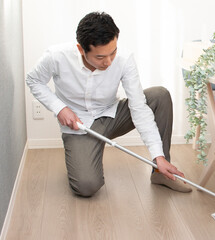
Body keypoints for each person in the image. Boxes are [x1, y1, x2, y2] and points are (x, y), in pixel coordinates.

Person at [26, 11, 191, 197]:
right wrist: (60, 108)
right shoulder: (56, 57)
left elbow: (139, 108)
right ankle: (85, 156)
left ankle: (161, 172)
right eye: (100, 57)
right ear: (81, 49)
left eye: (113, 52)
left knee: (159, 95)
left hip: (111, 116)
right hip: (79, 125)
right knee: (87, 186)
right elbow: (33, 80)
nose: (108, 61)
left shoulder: (124, 59)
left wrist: (157, 156)